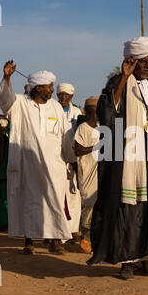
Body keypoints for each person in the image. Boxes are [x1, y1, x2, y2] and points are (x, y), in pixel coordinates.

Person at [87, 37, 148, 280]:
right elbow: (108, 113)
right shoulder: (118, 82)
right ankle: (127, 262)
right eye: (143, 61)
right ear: (131, 61)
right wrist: (124, 77)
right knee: (129, 208)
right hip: (130, 156)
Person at [0, 60, 74, 255]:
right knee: (29, 202)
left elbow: (65, 135)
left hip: (53, 166)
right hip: (27, 165)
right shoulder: (21, 104)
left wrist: (71, 160)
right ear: (37, 87)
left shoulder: (56, 107)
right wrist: (6, 77)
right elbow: (5, 101)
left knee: (55, 201)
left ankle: (55, 241)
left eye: (51, 86)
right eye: (48, 86)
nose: (51, 90)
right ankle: (29, 240)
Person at [56, 83, 83, 245]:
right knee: (58, 196)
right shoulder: (52, 109)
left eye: (67, 95)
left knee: (74, 196)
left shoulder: (77, 112)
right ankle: (58, 232)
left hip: (74, 159)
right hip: (57, 158)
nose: (63, 98)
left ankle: (73, 230)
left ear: (71, 97)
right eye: (61, 95)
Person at [73, 96, 100, 254]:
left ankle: (95, 239)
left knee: (98, 205)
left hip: (99, 171)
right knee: (89, 204)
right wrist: (97, 147)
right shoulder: (83, 127)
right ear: (92, 111)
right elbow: (78, 150)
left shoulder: (102, 127)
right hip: (87, 170)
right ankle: (85, 237)